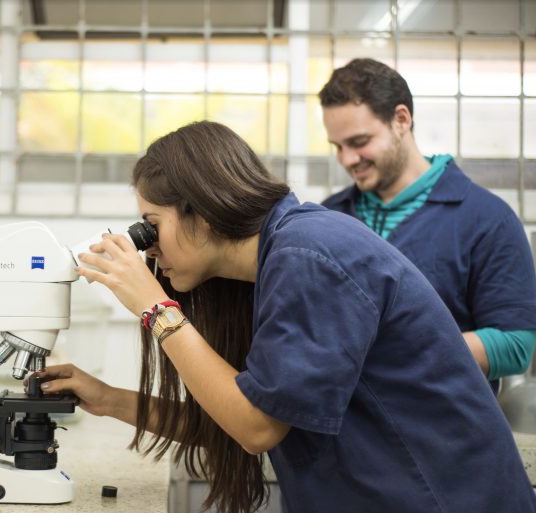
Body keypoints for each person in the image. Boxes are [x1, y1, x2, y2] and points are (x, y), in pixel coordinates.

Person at [34, 121, 536, 513]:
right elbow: (234, 416)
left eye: (152, 226)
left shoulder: (310, 256)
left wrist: (155, 309)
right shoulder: (271, 268)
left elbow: (256, 429)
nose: (149, 247)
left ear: (203, 214)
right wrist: (107, 399)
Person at [319, 58, 536, 392]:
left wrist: (389, 349)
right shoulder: (328, 218)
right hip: (344, 435)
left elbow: (514, 346)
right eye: (338, 147)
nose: (347, 159)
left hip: (442, 436)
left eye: (360, 142)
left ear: (401, 120)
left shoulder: (487, 219)